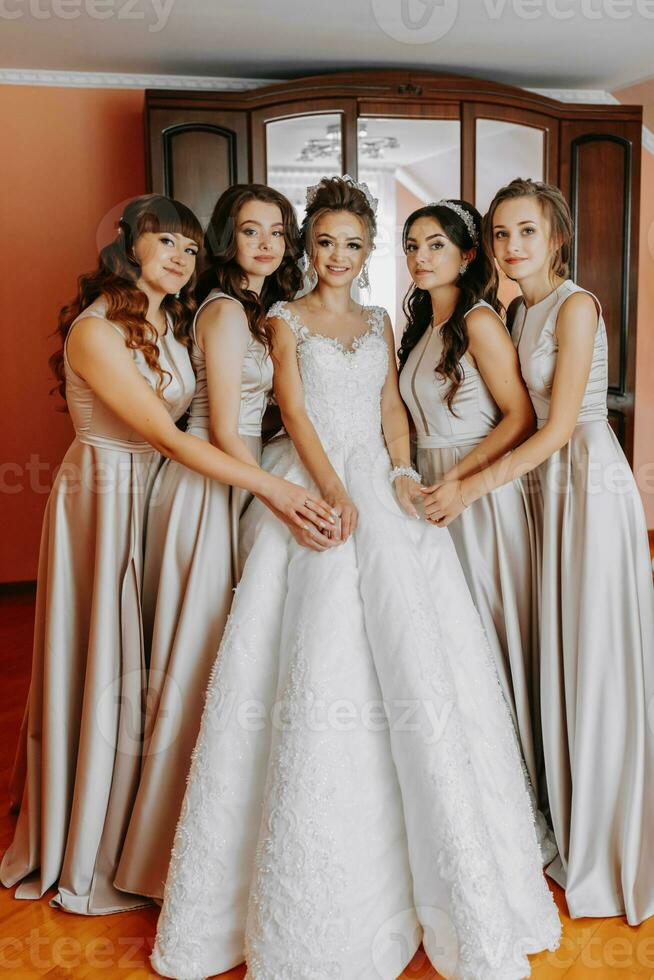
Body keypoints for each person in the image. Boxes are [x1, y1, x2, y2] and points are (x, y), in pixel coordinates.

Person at [151, 176, 560, 980]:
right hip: (315, 476)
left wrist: (400, 475)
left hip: (380, 475)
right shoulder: (282, 317)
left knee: (424, 652)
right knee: (309, 648)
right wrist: (333, 491)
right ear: (310, 246)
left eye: (355, 244)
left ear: (370, 253)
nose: (339, 256)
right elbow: (296, 414)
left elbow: (391, 413)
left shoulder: (380, 321)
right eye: (326, 241)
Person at [0, 194, 334, 915]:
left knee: (141, 655)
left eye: (189, 246)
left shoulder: (167, 317)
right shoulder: (95, 330)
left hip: (154, 492)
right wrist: (276, 491)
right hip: (102, 495)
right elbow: (174, 435)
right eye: (166, 243)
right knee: (100, 652)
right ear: (126, 247)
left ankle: (131, 804)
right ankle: (84, 821)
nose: (181, 257)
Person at [424, 177, 654, 924]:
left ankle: (611, 832)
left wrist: (472, 487)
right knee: (551, 643)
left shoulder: (576, 303)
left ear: (556, 237)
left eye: (526, 231)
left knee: (593, 648)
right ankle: (563, 803)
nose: (510, 245)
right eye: (498, 233)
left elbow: (556, 427)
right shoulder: (513, 310)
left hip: (585, 478)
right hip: (539, 487)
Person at [115, 184, 334, 901]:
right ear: (226, 239)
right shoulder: (221, 309)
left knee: (221, 651)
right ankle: (167, 832)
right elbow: (222, 427)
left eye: (277, 231)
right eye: (249, 231)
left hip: (236, 475)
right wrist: (274, 494)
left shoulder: (258, 309)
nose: (266, 244)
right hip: (211, 486)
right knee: (200, 649)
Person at [398, 200, 551, 823]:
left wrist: (457, 481)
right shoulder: (422, 328)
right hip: (429, 492)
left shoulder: (481, 321)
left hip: (479, 494)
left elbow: (520, 418)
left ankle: (513, 799)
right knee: (445, 644)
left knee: (488, 638)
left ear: (466, 255)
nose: (420, 257)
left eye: (435, 245)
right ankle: (462, 791)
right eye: (411, 245)